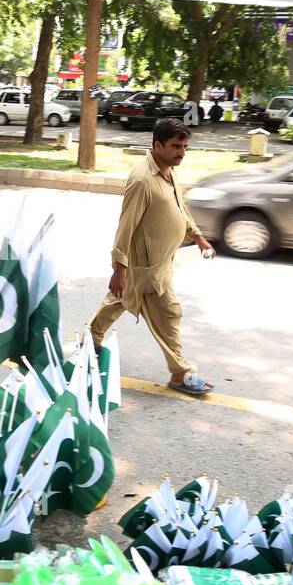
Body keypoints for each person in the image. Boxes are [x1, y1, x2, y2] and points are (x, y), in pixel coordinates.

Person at [88, 118, 216, 395]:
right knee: (168, 314)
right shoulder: (142, 179)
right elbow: (126, 225)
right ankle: (180, 374)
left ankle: (91, 340)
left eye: (184, 147)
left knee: (119, 300)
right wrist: (119, 267)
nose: (181, 152)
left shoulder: (168, 170)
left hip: (160, 263)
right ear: (157, 146)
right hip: (145, 267)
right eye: (176, 146)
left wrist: (198, 237)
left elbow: (179, 208)